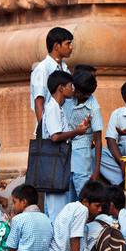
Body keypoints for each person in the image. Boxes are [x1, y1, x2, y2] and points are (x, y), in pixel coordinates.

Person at [40, 68, 90, 223]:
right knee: (57, 211)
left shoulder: (58, 108)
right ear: (61, 88)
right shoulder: (53, 108)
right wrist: (77, 131)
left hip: (60, 161)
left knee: (60, 207)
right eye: (70, 85)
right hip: (54, 163)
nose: (73, 89)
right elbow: (55, 136)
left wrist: (79, 129)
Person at [48, 180, 109, 251]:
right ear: (85, 202)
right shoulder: (82, 210)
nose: (100, 209)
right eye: (97, 206)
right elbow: (75, 238)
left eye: (101, 206)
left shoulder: (71, 206)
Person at [65, 65, 104, 195]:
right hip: (64, 152)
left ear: (87, 94)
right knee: (67, 193)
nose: (74, 92)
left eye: (78, 92)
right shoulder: (68, 99)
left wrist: (96, 170)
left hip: (82, 156)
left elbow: (98, 140)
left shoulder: (93, 107)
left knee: (82, 193)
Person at [30, 26, 73, 123]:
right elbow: (39, 103)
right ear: (56, 46)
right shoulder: (42, 69)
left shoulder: (65, 68)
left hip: (65, 129)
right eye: (68, 44)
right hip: (50, 132)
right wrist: (43, 133)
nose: (71, 47)